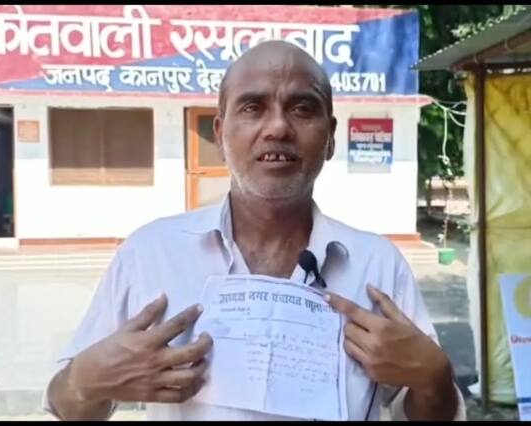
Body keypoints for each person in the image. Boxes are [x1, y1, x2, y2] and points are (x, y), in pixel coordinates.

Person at [45, 40, 466, 421]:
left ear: (331, 138)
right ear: (220, 133)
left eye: (302, 108)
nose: (278, 127)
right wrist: (85, 381)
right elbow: (66, 407)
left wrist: (434, 378)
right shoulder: (150, 253)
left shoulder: (378, 265)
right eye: (252, 107)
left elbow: (428, 412)